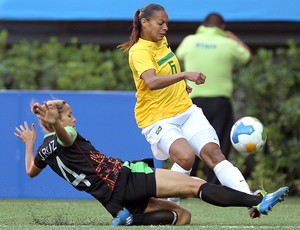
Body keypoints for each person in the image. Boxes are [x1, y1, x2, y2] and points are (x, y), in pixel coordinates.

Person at [14, 99, 288, 226]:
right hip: (125, 179)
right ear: (59, 121)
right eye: (70, 115)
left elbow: (30, 172)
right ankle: (256, 201)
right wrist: (56, 126)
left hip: (113, 203)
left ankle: (133, 220)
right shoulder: (66, 134)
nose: (74, 120)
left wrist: (30, 142)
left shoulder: (43, 149)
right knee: (196, 186)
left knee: (183, 217)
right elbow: (66, 136)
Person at [118, 3, 261, 218]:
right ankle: (168, 204)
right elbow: (152, 81)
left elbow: (167, 68)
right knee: (185, 157)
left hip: (186, 109)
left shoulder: (161, 41)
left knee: (215, 154)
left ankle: (252, 201)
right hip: (157, 118)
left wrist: (179, 85)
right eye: (161, 23)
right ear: (144, 22)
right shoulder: (139, 51)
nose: (165, 27)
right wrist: (185, 75)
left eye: (167, 23)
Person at [176, 13, 252, 183]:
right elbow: (248, 57)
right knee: (218, 144)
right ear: (222, 27)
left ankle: (185, 184)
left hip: (192, 102)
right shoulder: (228, 43)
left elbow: (178, 56)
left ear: (203, 25)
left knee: (190, 142)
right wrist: (234, 38)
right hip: (220, 102)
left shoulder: (190, 40)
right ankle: (215, 186)